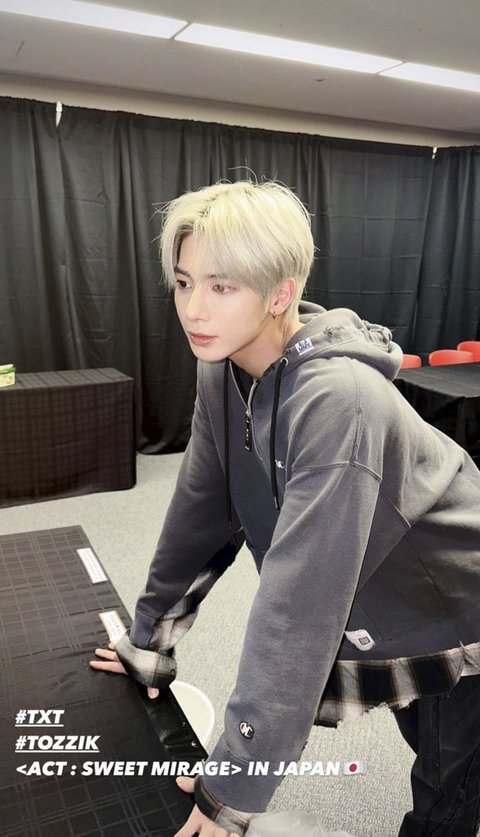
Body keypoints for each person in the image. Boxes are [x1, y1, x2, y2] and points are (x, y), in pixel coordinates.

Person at [90, 179, 480, 837]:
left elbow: (297, 609)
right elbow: (201, 511)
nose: (194, 308)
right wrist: (149, 637)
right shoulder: (223, 370)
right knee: (440, 755)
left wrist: (233, 782)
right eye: (184, 282)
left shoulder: (339, 399)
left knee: (448, 792)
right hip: (386, 599)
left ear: (279, 294)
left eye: (222, 286)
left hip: (457, 604)